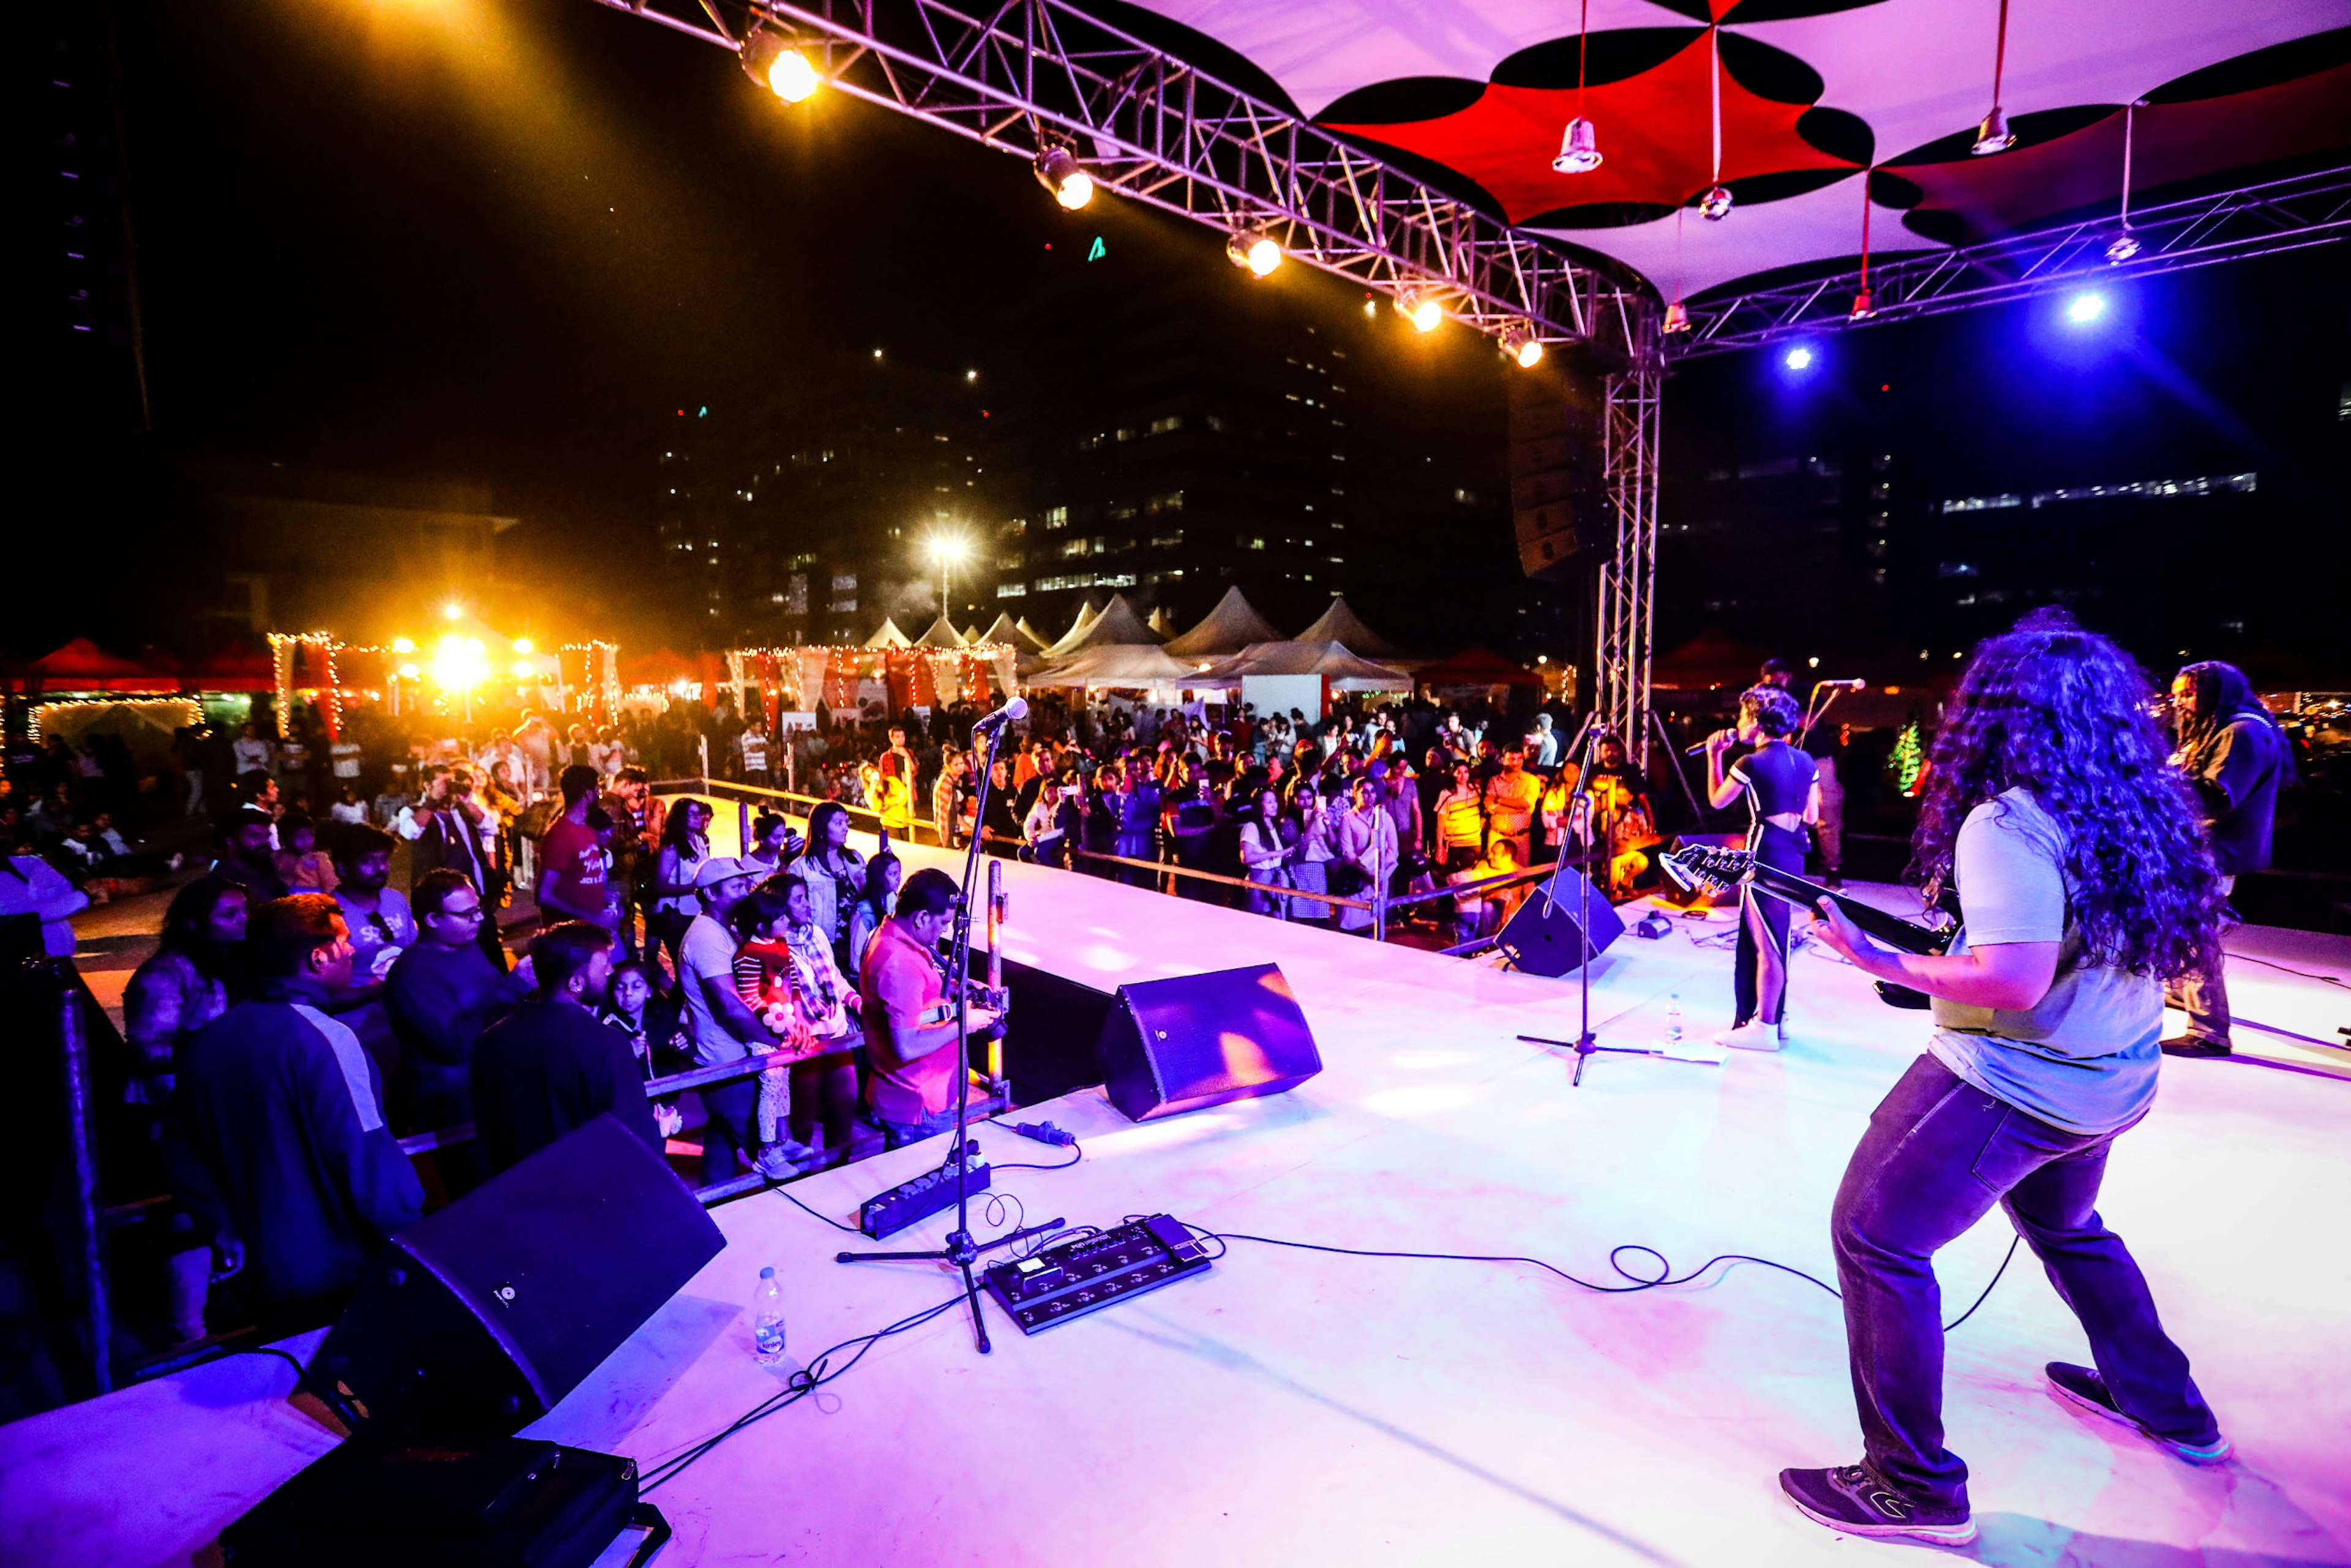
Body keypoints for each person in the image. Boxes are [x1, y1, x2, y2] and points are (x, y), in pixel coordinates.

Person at [1790, 610, 2231, 1546]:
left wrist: (1877, 957)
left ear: (1997, 713)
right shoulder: (2139, 805)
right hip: (2112, 1081)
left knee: (1877, 1238)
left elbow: (2012, 978)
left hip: (2014, 1085)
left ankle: (1913, 1486)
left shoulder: (2009, 819)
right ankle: (2169, 1404)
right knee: (2069, 1225)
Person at [167, 895, 424, 1331]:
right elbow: (365, 1156)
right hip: (336, 1275)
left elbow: (181, 1153)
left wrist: (222, 1228)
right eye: (343, 942)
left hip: (260, 1276)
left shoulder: (206, 1042)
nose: (352, 951)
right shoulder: (328, 1040)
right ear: (318, 956)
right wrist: (415, 1244)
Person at [2161, 660, 2290, 1059]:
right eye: (2177, 692)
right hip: (2205, 848)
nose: (2179, 701)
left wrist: (2161, 781)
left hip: (2215, 851)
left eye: (2188, 692)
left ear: (2216, 692)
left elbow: (2216, 798)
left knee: (2197, 934)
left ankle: (2209, 1032)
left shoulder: (2243, 731)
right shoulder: (2223, 728)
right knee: (2184, 927)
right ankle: (2184, 995)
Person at [470, 921, 662, 1174]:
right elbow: (636, 1140)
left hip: (518, 1192)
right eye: (603, 966)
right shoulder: (606, 1045)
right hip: (585, 1192)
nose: (610, 971)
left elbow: (487, 1133)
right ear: (576, 983)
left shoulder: (490, 1042)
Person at [385, 869, 527, 1180]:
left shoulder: (468, 946)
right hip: (455, 1109)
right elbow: (455, 1044)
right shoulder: (413, 975)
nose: (478, 919)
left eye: (478, 910)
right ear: (433, 919)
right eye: (467, 914)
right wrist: (515, 987)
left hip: (494, 1089)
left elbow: (491, 1000)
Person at [680, 858, 813, 1183]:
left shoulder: (725, 930)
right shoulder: (708, 938)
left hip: (729, 1051)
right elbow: (731, 1007)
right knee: (759, 1144)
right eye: (736, 886)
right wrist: (777, 1041)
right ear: (710, 893)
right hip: (726, 1057)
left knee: (722, 1137)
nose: (745, 892)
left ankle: (718, 1207)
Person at [1705, 686, 1820, 1051]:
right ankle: (1777, 1016)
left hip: (1764, 852)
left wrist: (1713, 756)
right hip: (1794, 854)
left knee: (1765, 944)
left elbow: (1717, 801)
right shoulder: (1807, 761)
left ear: (1755, 722)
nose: (1738, 723)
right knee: (1779, 936)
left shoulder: (1749, 763)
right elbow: (1813, 816)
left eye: (1742, 716)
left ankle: (1764, 1025)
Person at [859, 866, 998, 1150]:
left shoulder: (895, 939)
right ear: (922, 917)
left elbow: (915, 1006)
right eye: (943, 923)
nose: (945, 931)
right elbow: (906, 1046)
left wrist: (961, 988)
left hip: (919, 1096)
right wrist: (965, 1025)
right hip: (917, 1104)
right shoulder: (898, 962)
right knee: (924, 1180)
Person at [124, 879, 247, 1106]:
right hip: (174, 1099)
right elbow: (150, 1051)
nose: (244, 920)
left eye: (245, 910)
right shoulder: (165, 974)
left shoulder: (237, 961)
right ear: (193, 923)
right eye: (230, 915)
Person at [332, 825, 414, 988]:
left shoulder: (395, 900)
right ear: (342, 868)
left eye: (384, 859)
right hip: (357, 1010)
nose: (380, 868)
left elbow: (413, 950)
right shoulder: (330, 913)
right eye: (367, 861)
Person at [536, 764, 614, 934]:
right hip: (570, 937)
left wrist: (601, 896)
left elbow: (580, 878)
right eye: (597, 790)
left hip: (591, 931)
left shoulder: (587, 830)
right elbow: (544, 895)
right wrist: (590, 917)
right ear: (587, 794)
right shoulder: (559, 835)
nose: (599, 795)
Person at [648, 796, 712, 983]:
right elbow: (659, 886)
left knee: (692, 969)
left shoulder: (700, 842)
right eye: (691, 813)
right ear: (680, 818)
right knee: (685, 970)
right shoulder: (672, 848)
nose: (697, 817)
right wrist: (692, 888)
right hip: (676, 915)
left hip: (694, 913)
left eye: (698, 813)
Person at [1, 830, 89, 955]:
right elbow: (29, 914)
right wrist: (81, 897)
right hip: (22, 961)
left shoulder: (31, 862)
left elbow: (66, 889)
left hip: (61, 957)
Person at [798, 801, 866, 963]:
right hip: (824, 945)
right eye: (838, 823)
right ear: (822, 828)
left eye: (846, 822)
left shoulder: (855, 860)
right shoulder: (802, 868)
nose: (846, 828)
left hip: (856, 940)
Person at [211, 806, 288, 904]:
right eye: (255, 836)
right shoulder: (224, 881)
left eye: (267, 836)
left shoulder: (263, 867)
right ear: (229, 840)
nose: (265, 842)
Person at [846, 848, 900, 977]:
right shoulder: (864, 912)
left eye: (899, 873)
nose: (899, 878)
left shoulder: (893, 899)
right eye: (893, 874)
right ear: (879, 877)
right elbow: (856, 960)